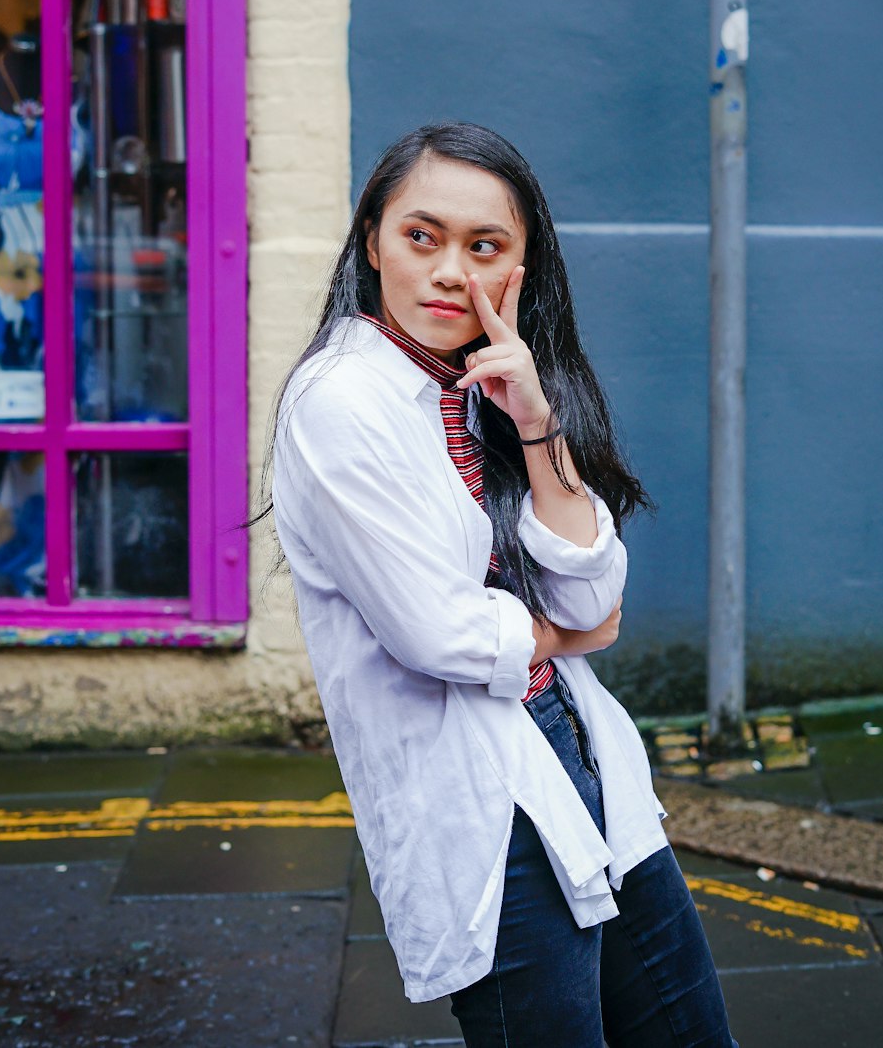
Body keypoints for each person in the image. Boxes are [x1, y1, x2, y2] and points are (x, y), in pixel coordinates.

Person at [267, 122, 737, 1047]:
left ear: (524, 265)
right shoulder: (341, 403)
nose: (451, 272)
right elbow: (443, 634)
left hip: (582, 760)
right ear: (372, 241)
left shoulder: (481, 385)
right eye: (421, 236)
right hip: (482, 808)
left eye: (485, 247)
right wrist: (564, 639)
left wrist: (534, 421)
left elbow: (588, 588)